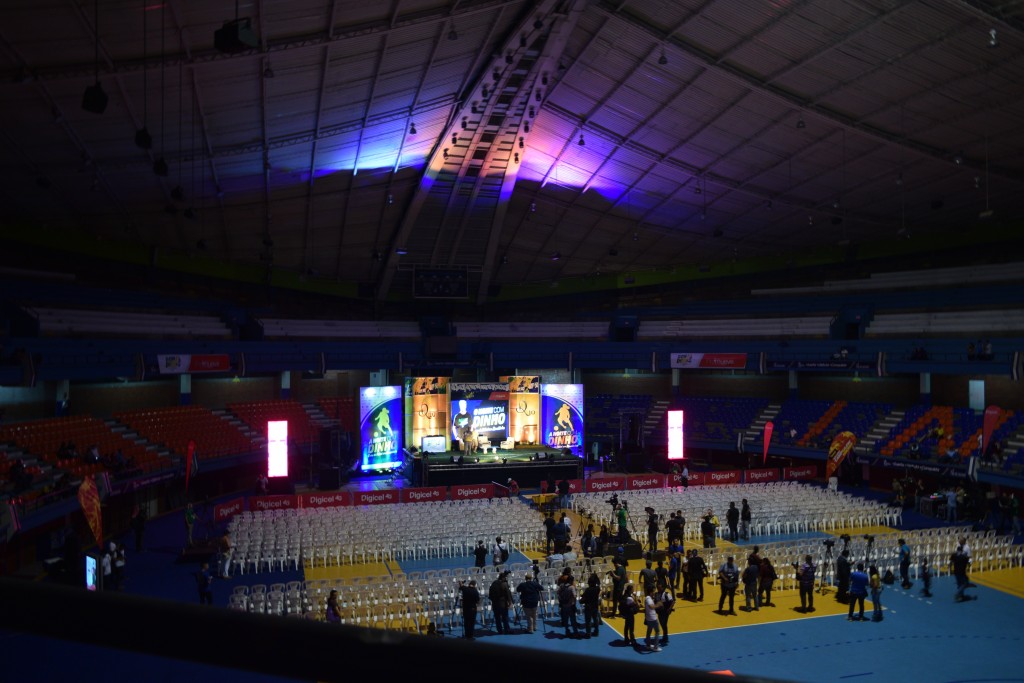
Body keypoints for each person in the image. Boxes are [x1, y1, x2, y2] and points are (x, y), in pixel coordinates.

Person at [581, 573, 602, 638]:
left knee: (588, 621)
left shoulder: (587, 590)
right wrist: (596, 577)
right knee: (595, 620)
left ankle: (588, 633)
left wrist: (581, 600)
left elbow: (583, 600)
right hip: (595, 607)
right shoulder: (597, 589)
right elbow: (598, 584)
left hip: (588, 607)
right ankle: (596, 631)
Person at [642, 585, 663, 652]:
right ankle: (655, 647)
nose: (654, 592)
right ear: (651, 592)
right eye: (653, 591)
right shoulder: (648, 598)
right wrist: (658, 605)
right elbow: (651, 607)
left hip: (649, 618)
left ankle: (648, 645)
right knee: (657, 631)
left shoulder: (648, 598)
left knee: (649, 631)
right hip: (652, 618)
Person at [654, 581, 674, 646]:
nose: (658, 589)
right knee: (662, 624)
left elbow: (672, 601)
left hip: (665, 612)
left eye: (659, 588)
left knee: (664, 624)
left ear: (662, 588)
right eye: (657, 588)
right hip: (659, 612)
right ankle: (665, 636)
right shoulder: (656, 594)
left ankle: (665, 637)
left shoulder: (666, 594)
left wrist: (670, 609)